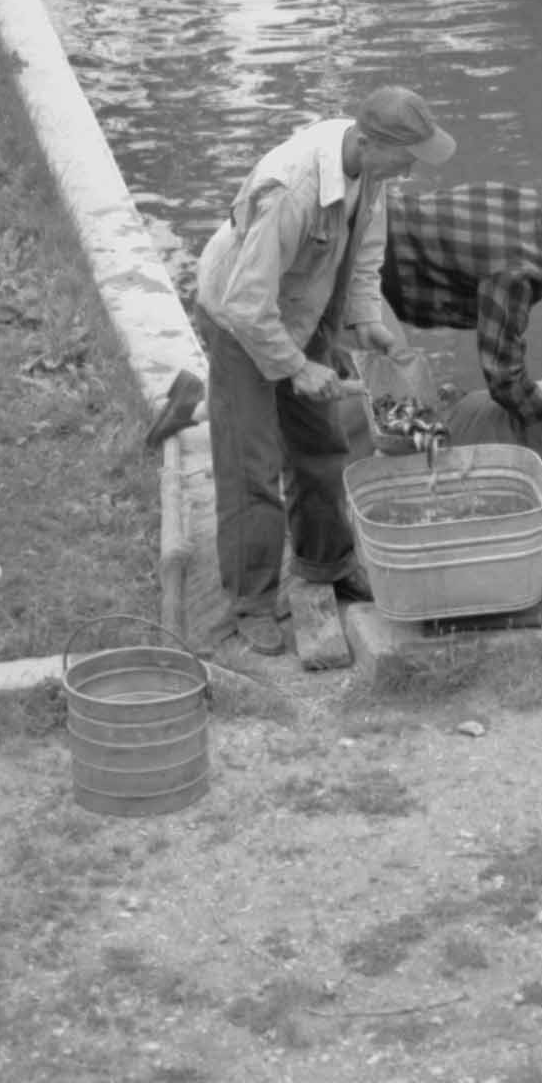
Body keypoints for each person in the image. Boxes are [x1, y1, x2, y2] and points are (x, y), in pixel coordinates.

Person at [191, 86, 457, 656]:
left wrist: (366, 320)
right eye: (407, 156)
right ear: (370, 142)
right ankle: (250, 601)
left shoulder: (370, 174)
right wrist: (296, 368)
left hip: (299, 311)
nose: (411, 168)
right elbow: (245, 303)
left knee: (320, 446)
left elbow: (365, 256)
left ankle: (326, 564)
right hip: (240, 323)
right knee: (251, 464)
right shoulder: (293, 189)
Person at [374, 185, 542, 473]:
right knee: (387, 408)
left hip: (375, 211)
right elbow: (504, 379)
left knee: (392, 381)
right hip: (364, 267)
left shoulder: (523, 203)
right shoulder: (519, 271)